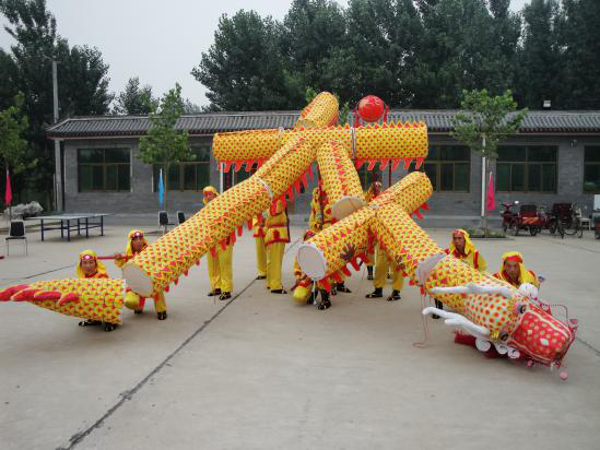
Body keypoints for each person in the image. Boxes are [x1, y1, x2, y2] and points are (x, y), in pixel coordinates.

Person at [114, 230, 168, 320]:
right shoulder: (128, 256)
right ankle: (138, 306)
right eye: (135, 239)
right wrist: (119, 258)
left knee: (158, 290)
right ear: (131, 242)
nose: (139, 241)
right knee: (129, 301)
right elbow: (123, 266)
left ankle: (161, 310)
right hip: (136, 284)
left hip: (151, 281)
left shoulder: (151, 251)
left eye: (140, 238)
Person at [203, 186, 233, 300]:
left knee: (225, 265)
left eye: (209, 194)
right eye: (206, 195)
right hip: (211, 242)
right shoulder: (205, 210)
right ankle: (216, 287)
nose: (208, 196)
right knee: (212, 266)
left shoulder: (224, 206)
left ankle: (226, 289)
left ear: (215, 194)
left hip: (224, 240)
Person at [76, 249, 115, 331]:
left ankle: (110, 320)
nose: (88, 266)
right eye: (85, 263)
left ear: (96, 263)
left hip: (105, 303)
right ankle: (94, 318)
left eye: (91, 262)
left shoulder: (102, 276)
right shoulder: (82, 277)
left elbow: (108, 294)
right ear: (81, 265)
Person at [265, 201, 290, 294]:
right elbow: (278, 209)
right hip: (276, 234)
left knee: (271, 260)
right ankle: (276, 286)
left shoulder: (272, 201)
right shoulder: (277, 201)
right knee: (276, 261)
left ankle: (270, 282)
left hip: (273, 233)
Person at [364, 179, 382, 280]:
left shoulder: (383, 198)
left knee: (383, 251)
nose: (377, 189)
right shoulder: (368, 198)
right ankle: (370, 272)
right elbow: (364, 202)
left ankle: (385, 271)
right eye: (375, 187)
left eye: (379, 187)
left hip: (380, 228)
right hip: (370, 228)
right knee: (370, 251)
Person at [252, 213, 267, 281]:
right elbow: (252, 213)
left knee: (271, 252)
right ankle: (262, 272)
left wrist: (266, 222)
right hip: (258, 228)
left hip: (270, 227)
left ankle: (272, 270)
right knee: (260, 251)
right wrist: (257, 222)